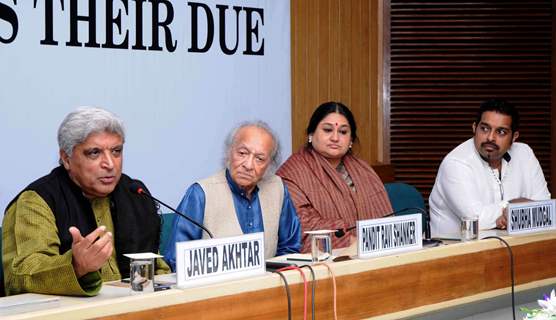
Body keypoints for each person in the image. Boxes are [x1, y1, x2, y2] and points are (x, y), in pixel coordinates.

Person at [2, 107, 170, 296]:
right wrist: (76, 265)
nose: (110, 164)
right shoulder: (37, 201)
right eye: (94, 153)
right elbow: (20, 277)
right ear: (66, 158)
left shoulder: (135, 193)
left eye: (116, 151)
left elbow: (156, 267)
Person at [164, 121, 301, 271]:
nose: (248, 165)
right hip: (215, 290)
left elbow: (289, 248)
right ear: (229, 152)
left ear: (270, 164)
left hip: (267, 287)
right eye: (242, 153)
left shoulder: (277, 188)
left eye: (259, 159)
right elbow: (176, 260)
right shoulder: (201, 193)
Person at [276, 102, 393, 252]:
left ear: (351, 140)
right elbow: (302, 225)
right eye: (327, 130)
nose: (335, 137)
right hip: (325, 263)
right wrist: (352, 242)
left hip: (376, 253)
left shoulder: (363, 170)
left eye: (343, 132)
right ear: (311, 134)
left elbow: (386, 219)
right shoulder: (293, 172)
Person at [429, 99, 550, 236]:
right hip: (454, 251)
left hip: (512, 247)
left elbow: (545, 208)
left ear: (514, 137)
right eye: (485, 129)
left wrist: (512, 212)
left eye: (501, 132)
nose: (490, 138)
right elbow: (476, 219)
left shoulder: (524, 153)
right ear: (474, 128)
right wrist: (513, 206)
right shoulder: (456, 163)